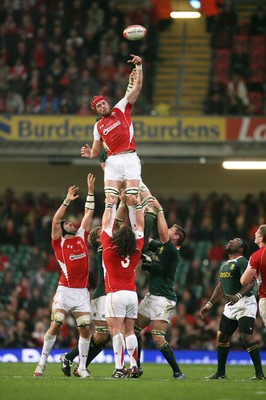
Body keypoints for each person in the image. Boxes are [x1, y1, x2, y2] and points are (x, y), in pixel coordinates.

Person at [34, 173, 96, 378]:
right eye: (67, 222)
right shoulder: (58, 242)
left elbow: (89, 212)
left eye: (71, 222)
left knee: (86, 329)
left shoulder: (81, 236)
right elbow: (55, 220)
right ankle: (41, 364)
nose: (71, 223)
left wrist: (91, 192)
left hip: (81, 293)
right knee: (56, 323)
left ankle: (83, 367)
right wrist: (67, 200)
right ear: (62, 228)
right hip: (65, 290)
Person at [80, 54, 143, 229]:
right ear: (96, 111)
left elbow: (137, 87)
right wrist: (89, 154)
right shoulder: (98, 126)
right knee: (110, 200)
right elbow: (96, 152)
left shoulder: (120, 108)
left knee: (132, 199)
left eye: (103, 103)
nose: (102, 106)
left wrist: (139, 67)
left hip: (130, 157)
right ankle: (107, 233)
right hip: (113, 161)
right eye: (98, 106)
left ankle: (137, 233)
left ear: (107, 103)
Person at [134, 196, 186, 379]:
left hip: (164, 299)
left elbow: (163, 236)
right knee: (133, 330)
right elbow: (147, 239)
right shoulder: (162, 248)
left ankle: (177, 372)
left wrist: (160, 210)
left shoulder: (172, 251)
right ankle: (137, 367)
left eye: (172, 229)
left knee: (157, 338)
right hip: (152, 296)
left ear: (176, 237)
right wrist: (139, 217)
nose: (168, 229)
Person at [200, 237, 266, 380]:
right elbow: (220, 286)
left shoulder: (242, 261)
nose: (230, 241)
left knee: (245, 337)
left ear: (241, 249)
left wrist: (237, 295)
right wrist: (209, 304)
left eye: (235, 241)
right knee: (222, 337)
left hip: (245, 302)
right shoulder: (224, 264)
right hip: (231, 305)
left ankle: (259, 374)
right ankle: (221, 373)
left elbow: (251, 281)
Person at [101, 193, 144, 378]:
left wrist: (111, 204)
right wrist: (135, 206)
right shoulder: (136, 250)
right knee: (129, 331)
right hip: (132, 295)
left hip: (115, 293)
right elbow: (140, 227)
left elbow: (106, 225)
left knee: (116, 330)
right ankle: (134, 366)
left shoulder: (109, 250)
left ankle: (119, 368)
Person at [60, 225, 111, 377]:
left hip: (111, 294)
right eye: (103, 232)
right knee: (104, 335)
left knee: (104, 337)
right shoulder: (104, 249)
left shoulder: (108, 247)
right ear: (98, 239)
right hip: (103, 295)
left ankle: (74, 361)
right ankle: (71, 358)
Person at [240, 225, 266, 328]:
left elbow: (244, 281)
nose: (255, 233)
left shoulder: (256, 256)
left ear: (261, 238)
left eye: (257, 232)